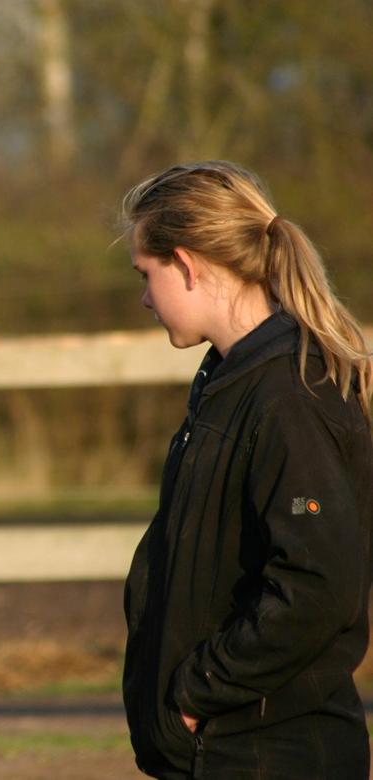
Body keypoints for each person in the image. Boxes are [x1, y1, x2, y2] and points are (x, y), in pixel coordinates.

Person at [119, 160, 373, 779]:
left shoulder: (288, 396)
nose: (146, 298)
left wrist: (201, 690)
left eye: (147, 275)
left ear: (186, 264)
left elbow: (316, 586)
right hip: (233, 749)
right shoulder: (231, 383)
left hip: (268, 750)